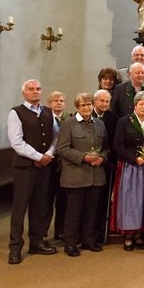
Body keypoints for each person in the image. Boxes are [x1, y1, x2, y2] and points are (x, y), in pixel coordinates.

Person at [7, 79, 58, 264]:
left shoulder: (47, 111)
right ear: (24, 92)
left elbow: (56, 136)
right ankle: (15, 248)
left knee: (40, 206)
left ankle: (36, 242)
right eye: (31, 89)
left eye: (38, 88)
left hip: (44, 166)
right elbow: (16, 141)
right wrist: (38, 157)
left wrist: (49, 155)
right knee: (20, 208)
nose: (35, 91)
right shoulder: (16, 113)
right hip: (24, 168)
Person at [57, 93, 108, 256]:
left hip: (96, 175)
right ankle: (70, 243)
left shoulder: (99, 124)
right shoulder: (68, 124)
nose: (86, 108)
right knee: (74, 212)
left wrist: (102, 158)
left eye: (89, 105)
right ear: (77, 107)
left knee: (91, 211)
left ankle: (88, 240)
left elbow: (107, 148)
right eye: (83, 105)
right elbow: (62, 149)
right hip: (76, 175)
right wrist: (83, 157)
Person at [111, 90, 144, 251]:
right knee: (130, 201)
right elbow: (117, 145)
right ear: (135, 105)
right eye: (142, 104)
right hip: (130, 168)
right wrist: (134, 158)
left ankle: (139, 235)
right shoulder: (124, 121)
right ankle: (128, 237)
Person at [91, 89, 119, 243]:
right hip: (86, 165)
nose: (104, 104)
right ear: (94, 101)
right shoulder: (88, 115)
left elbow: (115, 143)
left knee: (103, 200)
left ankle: (100, 232)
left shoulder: (114, 118)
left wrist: (108, 160)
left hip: (107, 164)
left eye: (107, 101)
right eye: (101, 101)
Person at [44, 91, 69, 242]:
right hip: (48, 164)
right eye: (55, 101)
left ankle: (60, 231)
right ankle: (42, 232)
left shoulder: (68, 119)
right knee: (46, 200)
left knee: (62, 200)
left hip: (64, 165)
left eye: (61, 100)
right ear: (49, 104)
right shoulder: (45, 119)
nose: (58, 103)